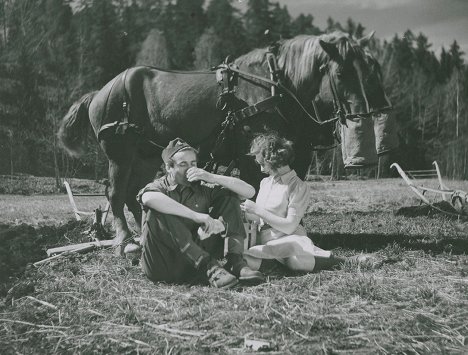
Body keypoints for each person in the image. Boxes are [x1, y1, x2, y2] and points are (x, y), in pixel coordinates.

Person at [137, 138, 264, 289]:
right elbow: (149, 198)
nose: (190, 168)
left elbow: (249, 192)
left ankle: (235, 261)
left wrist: (210, 176)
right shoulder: (159, 186)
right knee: (158, 209)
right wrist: (197, 216)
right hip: (163, 264)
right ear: (168, 167)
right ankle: (209, 267)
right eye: (183, 164)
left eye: (193, 163)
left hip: (192, 264)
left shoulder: (201, 187)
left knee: (229, 197)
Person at [240, 132, 348, 273]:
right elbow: (261, 219)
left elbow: (289, 226)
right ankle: (279, 265)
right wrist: (244, 210)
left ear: (273, 159)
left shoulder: (297, 186)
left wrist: (256, 209)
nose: (261, 169)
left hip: (288, 239)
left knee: (297, 261)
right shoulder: (265, 182)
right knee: (245, 258)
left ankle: (345, 261)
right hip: (266, 241)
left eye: (262, 164)